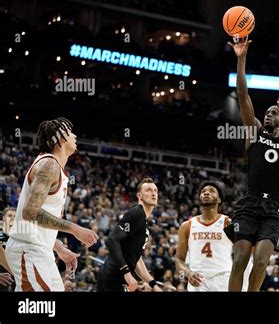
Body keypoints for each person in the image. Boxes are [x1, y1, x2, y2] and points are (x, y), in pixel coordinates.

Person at [226, 37, 279, 291]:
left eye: (274, 113)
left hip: (274, 206)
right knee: (240, 259)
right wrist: (241, 59)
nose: (268, 114)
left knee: (261, 261)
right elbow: (242, 95)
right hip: (250, 203)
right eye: (267, 112)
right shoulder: (255, 133)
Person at [5, 117, 98, 291]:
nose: (75, 136)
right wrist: (75, 229)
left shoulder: (53, 166)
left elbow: (34, 220)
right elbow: (30, 212)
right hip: (29, 250)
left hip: (41, 250)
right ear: (61, 139)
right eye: (70, 133)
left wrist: (57, 247)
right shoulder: (49, 166)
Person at [176, 181, 251, 291]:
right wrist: (188, 273)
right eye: (203, 192)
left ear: (219, 200)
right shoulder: (187, 226)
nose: (206, 193)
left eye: (211, 191)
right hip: (197, 281)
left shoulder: (228, 223)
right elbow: (179, 260)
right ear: (199, 198)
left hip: (223, 279)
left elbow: (243, 255)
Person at [97, 178, 162, 292]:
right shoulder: (137, 213)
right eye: (148, 190)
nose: (153, 193)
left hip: (115, 277)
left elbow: (136, 259)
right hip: (115, 277)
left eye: (155, 191)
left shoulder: (143, 221)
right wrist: (126, 273)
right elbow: (111, 240)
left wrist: (153, 284)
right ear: (139, 196)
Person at [0, 207, 16, 291]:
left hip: (16, 279)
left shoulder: (21, 238)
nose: (13, 218)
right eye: (10, 215)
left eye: (15, 216)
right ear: (3, 218)